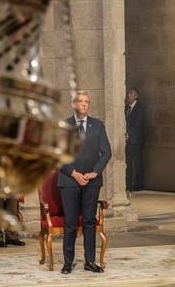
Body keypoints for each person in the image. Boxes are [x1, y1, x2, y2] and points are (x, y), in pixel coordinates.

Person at [59, 91, 111, 274]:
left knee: (89, 221)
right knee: (71, 222)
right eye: (80, 102)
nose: (84, 105)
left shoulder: (98, 125)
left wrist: (95, 172)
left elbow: (106, 152)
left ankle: (90, 261)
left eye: (87, 102)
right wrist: (73, 173)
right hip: (69, 180)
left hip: (91, 182)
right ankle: (67, 262)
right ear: (73, 104)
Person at [125, 88, 145, 194]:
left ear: (136, 96)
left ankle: (138, 185)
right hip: (128, 141)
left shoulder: (139, 108)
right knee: (128, 163)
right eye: (128, 93)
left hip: (136, 140)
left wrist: (129, 135)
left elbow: (138, 124)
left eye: (131, 94)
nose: (128, 96)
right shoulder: (126, 108)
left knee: (137, 163)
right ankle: (128, 185)